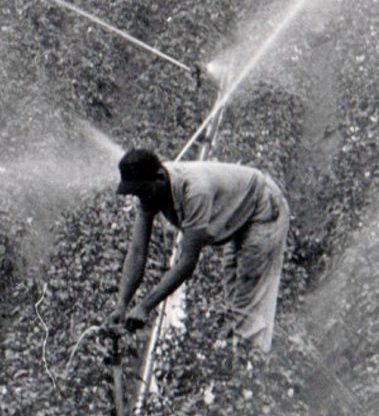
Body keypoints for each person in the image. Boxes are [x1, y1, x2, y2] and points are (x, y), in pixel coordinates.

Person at [111, 147, 289, 356]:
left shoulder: (195, 191)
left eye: (144, 191)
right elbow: (138, 251)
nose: (142, 199)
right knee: (234, 293)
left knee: (249, 294)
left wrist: (145, 306)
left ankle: (252, 362)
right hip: (240, 214)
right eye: (137, 193)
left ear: (159, 177)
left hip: (263, 208)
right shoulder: (149, 194)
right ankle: (237, 354)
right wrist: (122, 304)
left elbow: (187, 262)